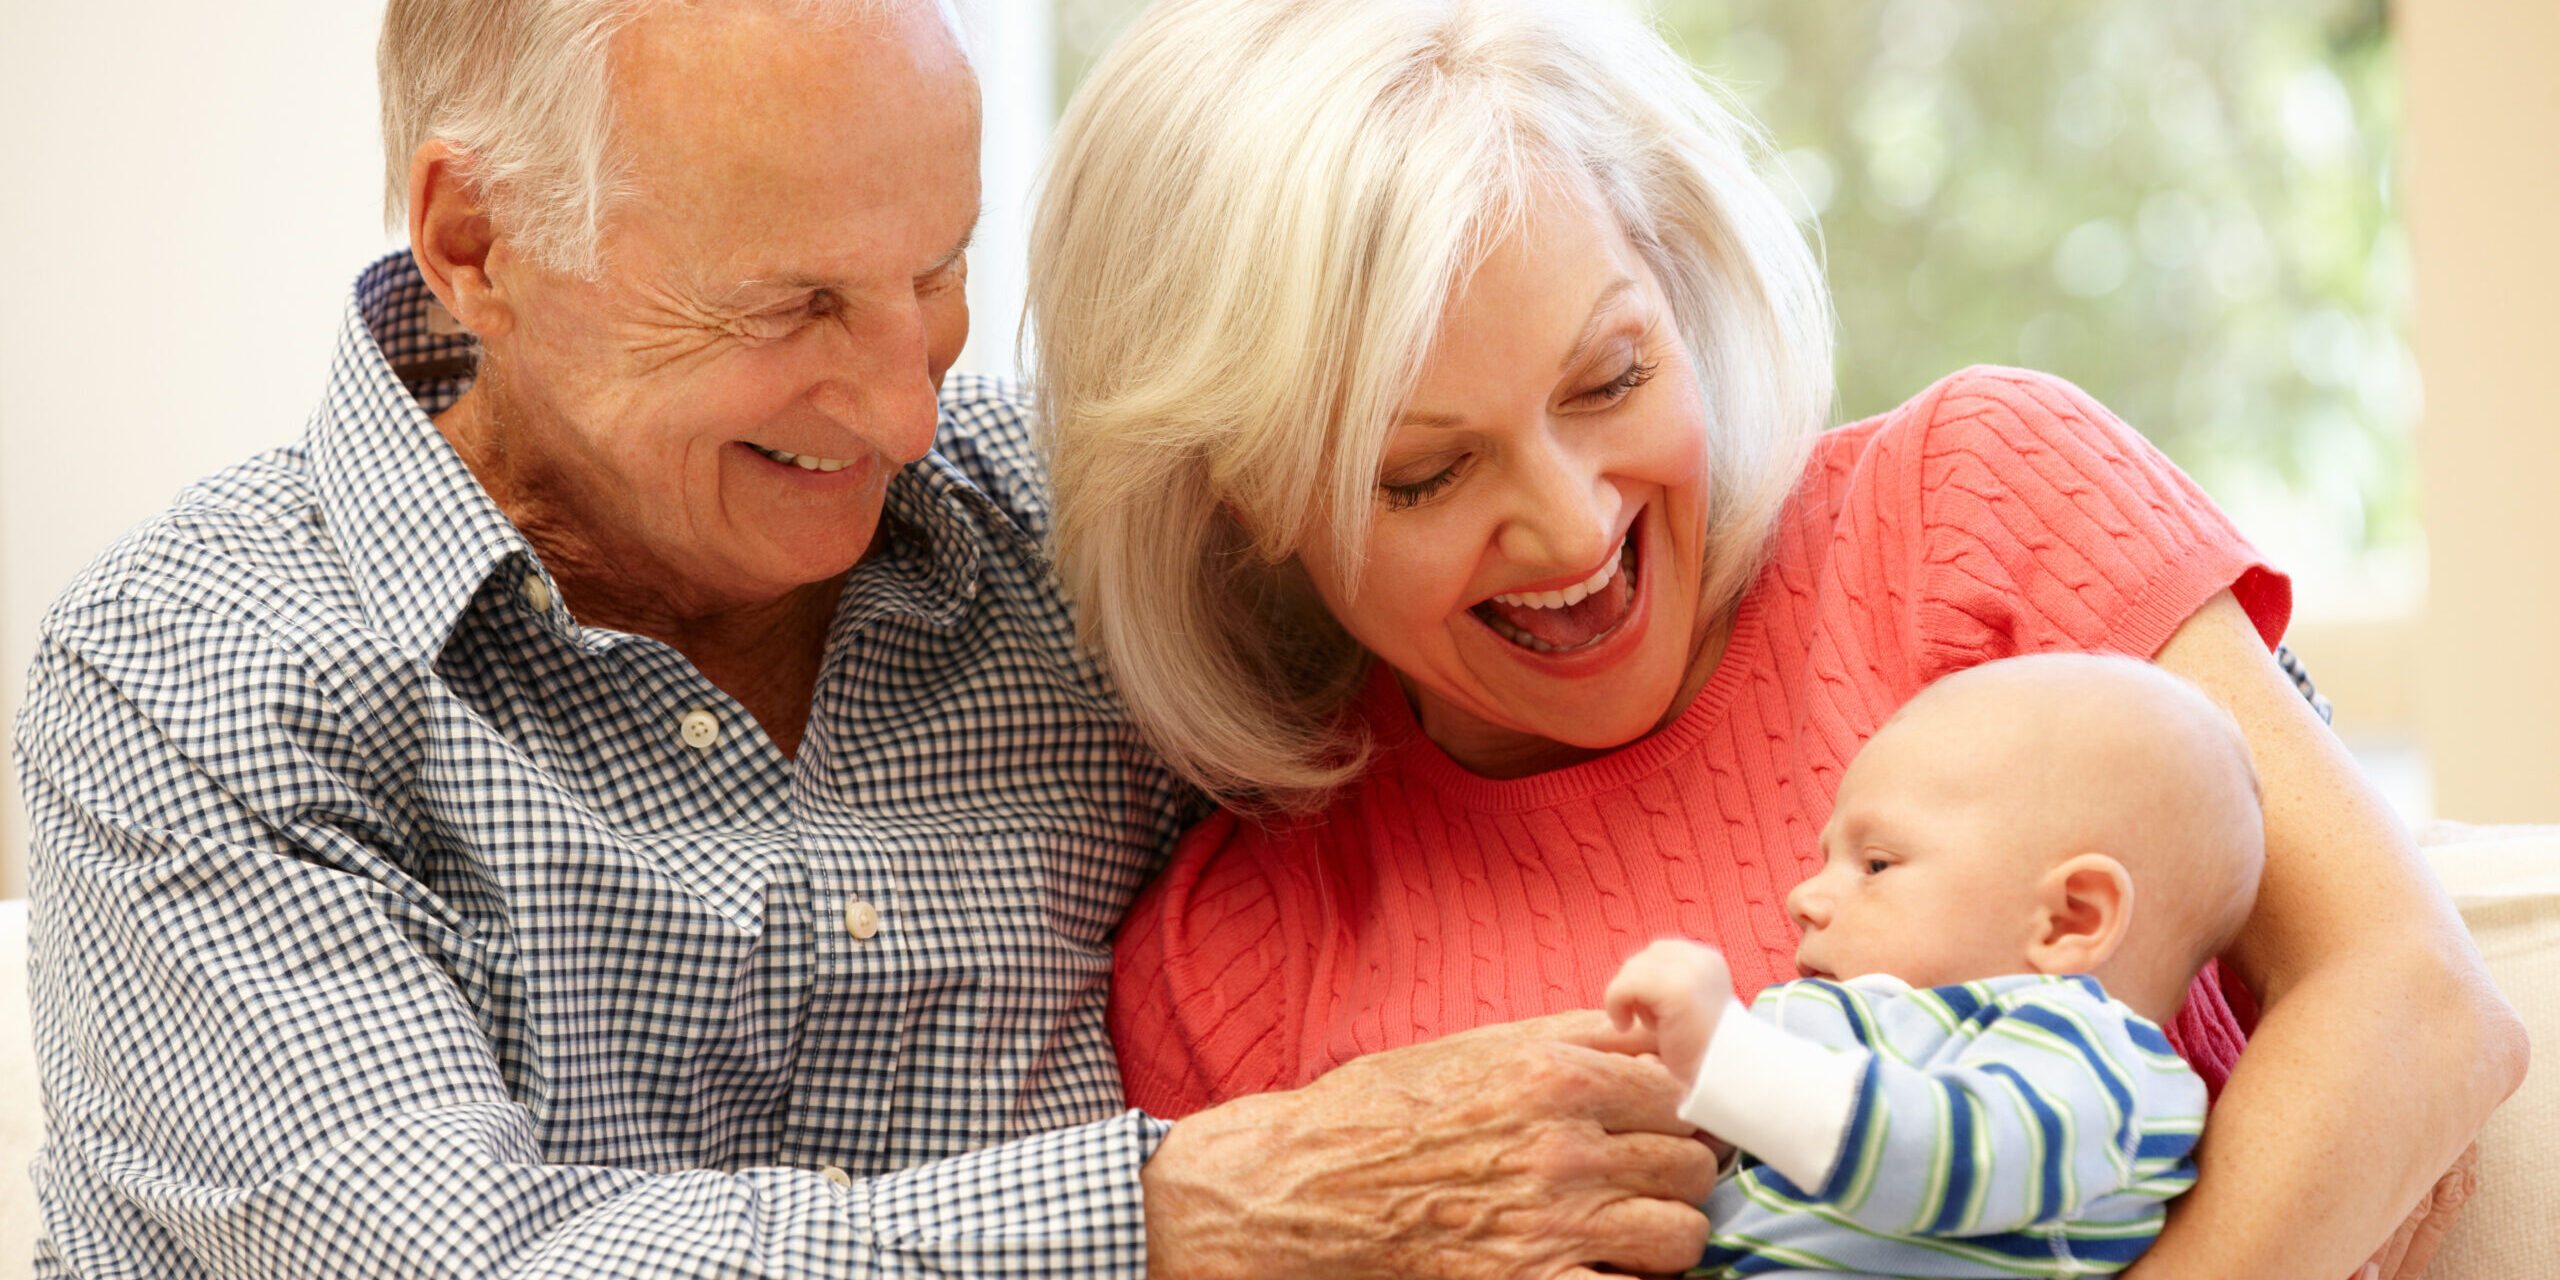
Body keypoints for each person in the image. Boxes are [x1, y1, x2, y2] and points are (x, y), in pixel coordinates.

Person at [15, 2, 1723, 1277]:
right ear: (478, 242)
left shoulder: (1063, 538)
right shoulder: (192, 675)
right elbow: (455, 1260)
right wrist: (1176, 1216)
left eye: (939, 271)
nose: (910, 407)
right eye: (798, 307)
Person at [1029, 0, 2526, 1276]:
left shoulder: (1972, 511)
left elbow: (2417, 1004)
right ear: (1243, 506)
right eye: (1425, 473)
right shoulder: (1232, 964)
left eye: (1610, 377)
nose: (1568, 526)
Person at [1603, 653, 2268, 1276]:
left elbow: (1941, 1157)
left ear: (2072, 919)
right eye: (1825, 859)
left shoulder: (2101, 1069)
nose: (1802, 898)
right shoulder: (1849, 1029)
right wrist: (1664, 1095)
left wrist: (1729, 1060)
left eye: (1876, 865)